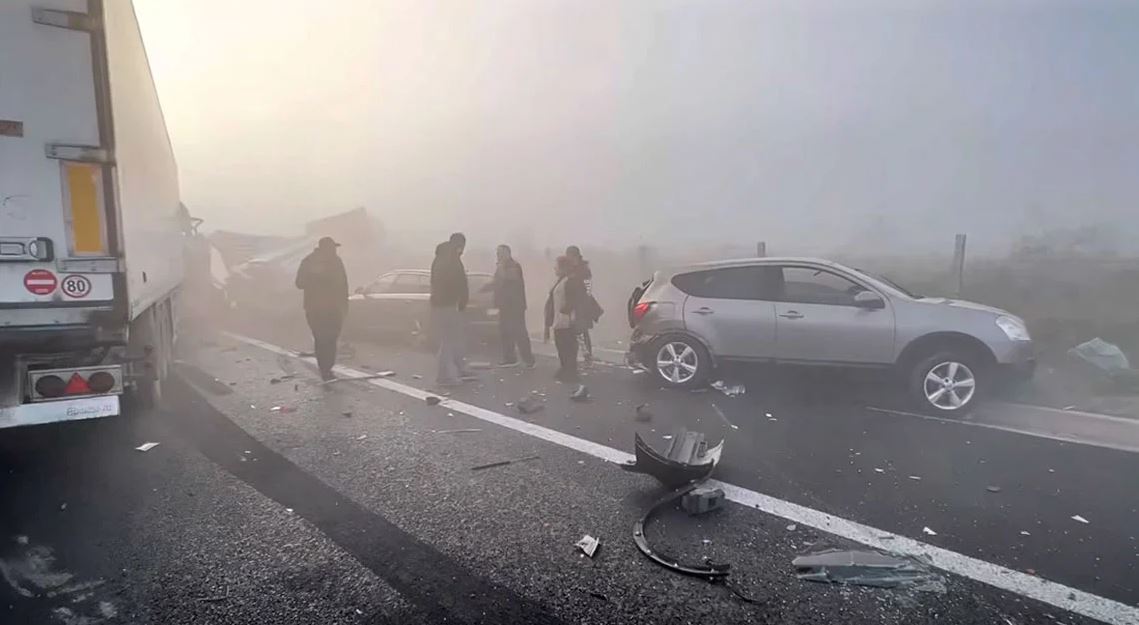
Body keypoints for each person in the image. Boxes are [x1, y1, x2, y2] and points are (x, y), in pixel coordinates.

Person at [294, 236, 349, 381]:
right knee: (324, 339)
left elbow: (343, 284)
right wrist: (316, 279)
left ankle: (327, 368)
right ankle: (325, 370)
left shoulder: (334, 261)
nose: (334, 251)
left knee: (329, 339)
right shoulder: (311, 262)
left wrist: (344, 305)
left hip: (329, 308)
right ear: (325, 248)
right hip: (319, 308)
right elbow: (299, 283)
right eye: (332, 248)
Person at [430, 232, 474, 386]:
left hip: (442, 304)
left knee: (452, 339)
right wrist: (461, 301)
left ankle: (455, 369)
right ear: (459, 245)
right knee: (449, 340)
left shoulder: (441, 257)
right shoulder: (451, 260)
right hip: (447, 305)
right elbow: (458, 283)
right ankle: (445, 377)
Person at [488, 244, 534, 368]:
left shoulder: (513, 266)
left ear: (507, 253)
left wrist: (501, 267)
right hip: (504, 305)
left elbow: (509, 278)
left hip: (515, 306)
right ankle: (509, 358)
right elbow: (496, 282)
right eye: (497, 253)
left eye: (500, 253)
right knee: (505, 332)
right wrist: (483, 288)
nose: (497, 255)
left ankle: (528, 360)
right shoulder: (501, 267)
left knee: (519, 333)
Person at [544, 256, 586, 383]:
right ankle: (565, 369)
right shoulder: (561, 281)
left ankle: (570, 371)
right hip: (559, 320)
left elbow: (578, 298)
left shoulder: (572, 281)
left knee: (568, 347)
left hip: (567, 321)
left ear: (563, 268)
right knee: (562, 346)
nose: (555, 268)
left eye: (557, 266)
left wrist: (567, 309)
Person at [565, 245, 597, 363]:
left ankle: (587, 355)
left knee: (581, 331)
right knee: (573, 331)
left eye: (570, 255)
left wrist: (586, 301)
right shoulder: (569, 269)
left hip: (581, 304)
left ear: (576, 256)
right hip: (571, 303)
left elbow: (588, 286)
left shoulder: (583, 269)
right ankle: (577, 356)